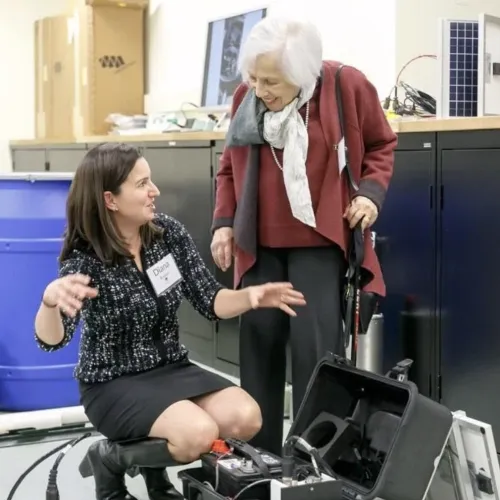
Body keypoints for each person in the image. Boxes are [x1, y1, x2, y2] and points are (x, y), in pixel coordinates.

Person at [34, 142, 306, 500]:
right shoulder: (85, 260)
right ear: (110, 200)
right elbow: (53, 340)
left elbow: (209, 299)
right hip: (113, 382)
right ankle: (109, 459)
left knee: (247, 416)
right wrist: (49, 302)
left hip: (170, 368)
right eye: (142, 183)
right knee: (197, 433)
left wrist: (250, 297)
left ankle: (153, 472)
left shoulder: (166, 234)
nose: (154, 191)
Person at [211, 17, 397, 455]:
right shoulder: (246, 97)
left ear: (302, 73)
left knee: (317, 361)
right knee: (258, 359)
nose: (260, 90)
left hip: (320, 244)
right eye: (254, 77)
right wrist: (223, 222)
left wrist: (369, 195)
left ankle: (313, 465)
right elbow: (228, 169)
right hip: (258, 248)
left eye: (272, 81)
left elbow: (380, 144)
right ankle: (258, 462)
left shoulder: (344, 86)